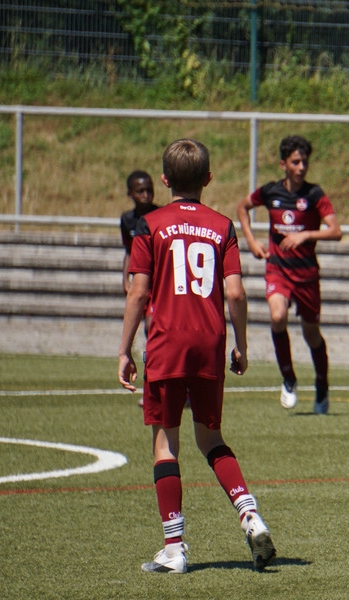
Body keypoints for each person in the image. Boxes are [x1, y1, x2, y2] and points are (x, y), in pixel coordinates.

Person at [118, 138, 276, 574]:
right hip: (209, 343)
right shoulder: (223, 226)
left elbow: (138, 292)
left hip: (167, 343)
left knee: (165, 442)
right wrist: (241, 345)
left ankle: (174, 548)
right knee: (211, 438)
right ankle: (250, 514)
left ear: (164, 179)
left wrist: (125, 349)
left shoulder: (150, 225)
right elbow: (236, 293)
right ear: (207, 179)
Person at [237, 135, 342, 414]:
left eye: (304, 162)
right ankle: (288, 378)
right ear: (283, 164)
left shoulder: (314, 194)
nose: (301, 167)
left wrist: (306, 234)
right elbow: (242, 207)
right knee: (277, 316)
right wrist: (251, 241)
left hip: (306, 275)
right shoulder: (270, 192)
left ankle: (322, 386)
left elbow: (336, 231)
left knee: (312, 335)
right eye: (296, 162)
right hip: (278, 270)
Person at [120, 170, 158, 296]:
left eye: (149, 191)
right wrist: (125, 280)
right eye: (140, 191)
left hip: (159, 276)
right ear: (130, 193)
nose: (146, 195)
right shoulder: (127, 219)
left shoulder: (162, 215)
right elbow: (129, 251)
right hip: (141, 277)